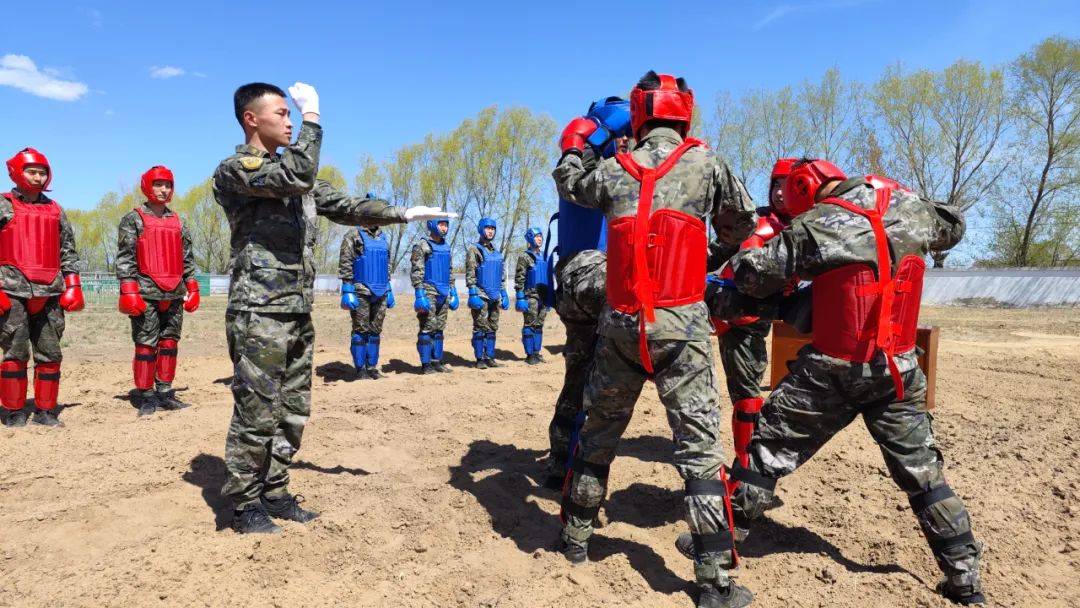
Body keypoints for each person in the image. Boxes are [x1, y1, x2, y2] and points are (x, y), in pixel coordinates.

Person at [726, 159, 985, 605]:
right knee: (924, 474)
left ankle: (718, 547)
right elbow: (955, 224)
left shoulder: (819, 222)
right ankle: (964, 578)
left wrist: (750, 256)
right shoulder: (910, 207)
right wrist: (906, 203)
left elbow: (753, 276)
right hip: (898, 370)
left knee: (766, 452)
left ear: (806, 188)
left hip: (832, 368)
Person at [553, 71, 756, 608]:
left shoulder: (615, 169)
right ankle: (713, 581)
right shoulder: (707, 164)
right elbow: (743, 224)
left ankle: (574, 539)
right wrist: (704, 257)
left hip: (620, 323)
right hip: (682, 326)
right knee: (698, 452)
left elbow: (570, 183)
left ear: (640, 115)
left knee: (597, 436)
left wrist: (576, 143)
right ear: (685, 113)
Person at [213, 81, 454, 534]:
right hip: (259, 309)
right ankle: (245, 504)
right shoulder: (237, 170)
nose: (290, 120)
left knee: (292, 406)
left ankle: (275, 489)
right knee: (256, 408)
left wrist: (401, 213)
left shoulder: (293, 174)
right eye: (281, 113)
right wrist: (315, 119)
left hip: (296, 308)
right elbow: (299, 176)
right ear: (251, 119)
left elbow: (344, 204)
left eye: (293, 114)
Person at [542, 95, 631, 488]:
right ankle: (576, 469)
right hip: (596, 282)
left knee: (577, 377)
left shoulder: (579, 167)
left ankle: (561, 462)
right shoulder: (600, 172)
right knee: (600, 386)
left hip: (578, 286)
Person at [710, 158, 796, 470]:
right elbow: (728, 265)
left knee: (752, 390)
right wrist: (725, 313)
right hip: (740, 322)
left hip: (760, 321)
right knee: (747, 394)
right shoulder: (760, 225)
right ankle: (745, 463)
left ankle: (747, 457)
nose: (781, 193)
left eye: (787, 186)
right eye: (776, 185)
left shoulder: (799, 228)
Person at [1, 148, 84, 427]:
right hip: (12, 291)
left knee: (50, 354)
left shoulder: (55, 209)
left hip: (50, 292)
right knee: (15, 353)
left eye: (42, 172)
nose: (37, 177)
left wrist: (73, 284)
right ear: (16, 172)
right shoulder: (3, 205)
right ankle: (13, 410)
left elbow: (68, 250)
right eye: (31, 171)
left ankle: (46, 410)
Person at [116, 165, 201, 416]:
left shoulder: (178, 221)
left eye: (168, 185)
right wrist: (128, 289)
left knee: (169, 344)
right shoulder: (133, 219)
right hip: (146, 294)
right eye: (158, 184)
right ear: (146, 186)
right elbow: (125, 258)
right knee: (145, 345)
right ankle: (145, 396)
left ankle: (164, 392)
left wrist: (192, 286)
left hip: (174, 293)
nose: (163, 190)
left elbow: (187, 259)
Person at [338, 220, 394, 379]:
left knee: (375, 331)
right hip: (361, 290)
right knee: (360, 331)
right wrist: (347, 288)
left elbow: (386, 264)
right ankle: (360, 369)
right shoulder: (353, 235)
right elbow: (346, 261)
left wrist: (389, 288)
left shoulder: (383, 237)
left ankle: (372, 367)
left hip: (381, 291)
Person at [410, 219, 459, 374]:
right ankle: (425, 365)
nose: (444, 228)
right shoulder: (422, 246)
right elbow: (417, 270)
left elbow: (450, 270)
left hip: (444, 292)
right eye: (441, 224)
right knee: (427, 327)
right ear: (432, 225)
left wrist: (453, 290)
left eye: (446, 225)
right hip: (428, 291)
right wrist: (419, 293)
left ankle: (436, 361)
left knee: (439, 329)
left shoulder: (446, 247)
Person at [465, 218, 508, 368]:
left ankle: (489, 357)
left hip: (495, 295)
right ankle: (479, 359)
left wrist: (504, 293)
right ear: (481, 229)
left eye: (493, 229)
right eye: (488, 228)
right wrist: (472, 292)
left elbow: (501, 276)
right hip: (481, 294)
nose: (490, 231)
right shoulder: (474, 249)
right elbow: (470, 273)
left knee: (492, 327)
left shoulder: (497, 253)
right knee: (480, 326)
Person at [514, 227, 549, 364]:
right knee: (530, 324)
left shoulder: (544, 256)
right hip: (531, 296)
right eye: (536, 236)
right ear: (530, 238)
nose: (539, 238)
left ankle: (536, 352)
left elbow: (548, 277)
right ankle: (529, 355)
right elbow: (519, 278)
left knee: (539, 325)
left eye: (541, 236)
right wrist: (520, 296)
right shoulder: (524, 257)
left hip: (544, 297)